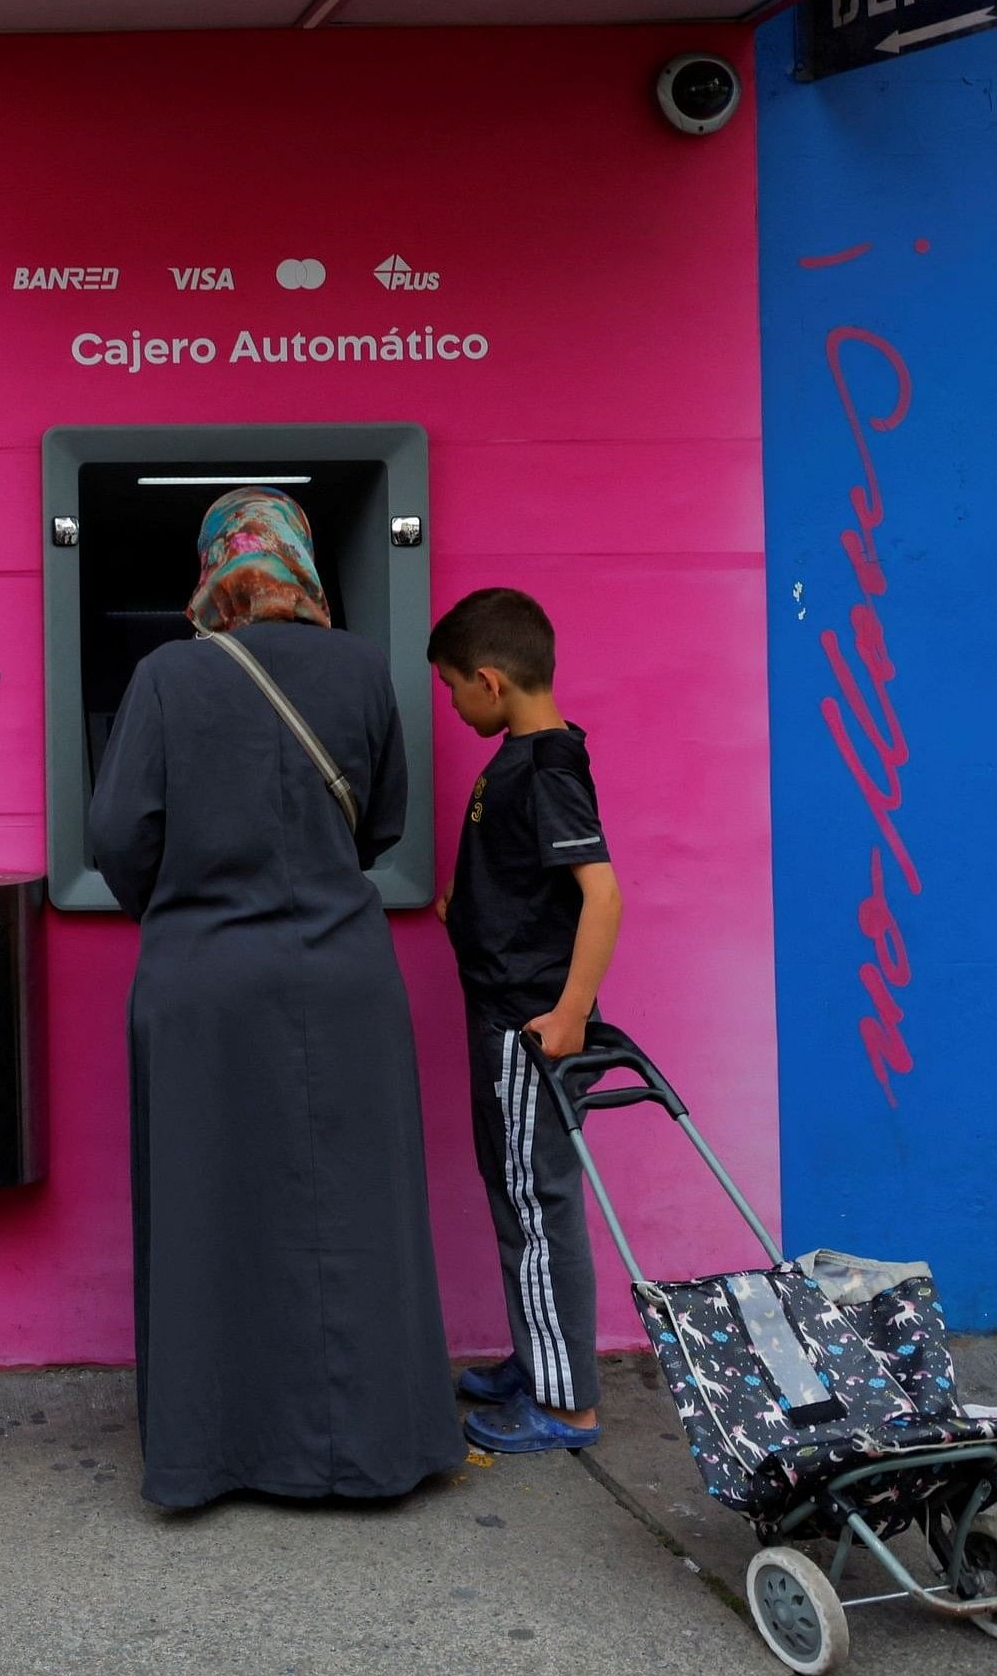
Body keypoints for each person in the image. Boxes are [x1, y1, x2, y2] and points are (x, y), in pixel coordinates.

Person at [87, 487, 458, 1508]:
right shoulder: (360, 668)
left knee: (210, 1217)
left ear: (214, 571)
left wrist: (184, 903)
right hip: (344, 975)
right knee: (355, 1215)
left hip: (203, 984)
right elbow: (379, 823)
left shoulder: (165, 676)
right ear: (300, 564)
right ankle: (375, 1448)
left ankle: (213, 1456)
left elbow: (118, 837)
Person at [429, 586, 625, 1455]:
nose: (452, 704)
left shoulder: (547, 767)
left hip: (528, 1025)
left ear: (490, 681)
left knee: (539, 1202)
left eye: (452, 690)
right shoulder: (524, 755)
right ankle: (537, 1357)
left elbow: (602, 894)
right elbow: (524, 880)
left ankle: (566, 1405)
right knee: (515, 1191)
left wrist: (570, 1013)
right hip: (504, 1012)